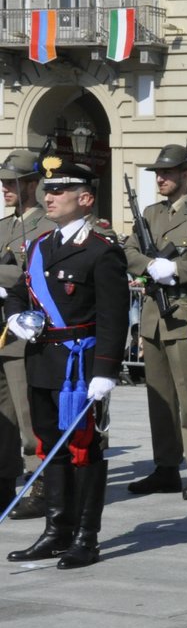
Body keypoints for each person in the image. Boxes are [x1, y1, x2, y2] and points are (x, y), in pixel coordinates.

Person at [2, 157, 128, 569]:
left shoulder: (101, 250)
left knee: (82, 450)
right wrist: (16, 316)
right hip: (42, 358)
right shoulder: (40, 246)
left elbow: (113, 314)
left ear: (85, 198)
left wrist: (106, 371)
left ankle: (85, 538)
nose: (49, 196)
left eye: (59, 191)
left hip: (80, 367)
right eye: (48, 190)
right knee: (48, 446)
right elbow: (21, 291)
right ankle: (56, 530)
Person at [122, 144, 187, 501]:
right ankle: (166, 466)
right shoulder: (151, 214)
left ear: (186, 174)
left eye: (167, 173)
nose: (161, 179)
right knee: (160, 398)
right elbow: (129, 249)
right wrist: (149, 266)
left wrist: (178, 269)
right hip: (154, 314)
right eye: (158, 174)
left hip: (184, 312)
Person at [0, 149, 50, 520]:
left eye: (11, 182)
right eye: (3, 183)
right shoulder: (4, 226)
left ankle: (41, 480)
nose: (5, 189)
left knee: (26, 408)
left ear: (32, 184)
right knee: (2, 410)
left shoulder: (45, 227)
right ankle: (5, 478)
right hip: (1, 329)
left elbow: (33, 275)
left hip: (25, 328)